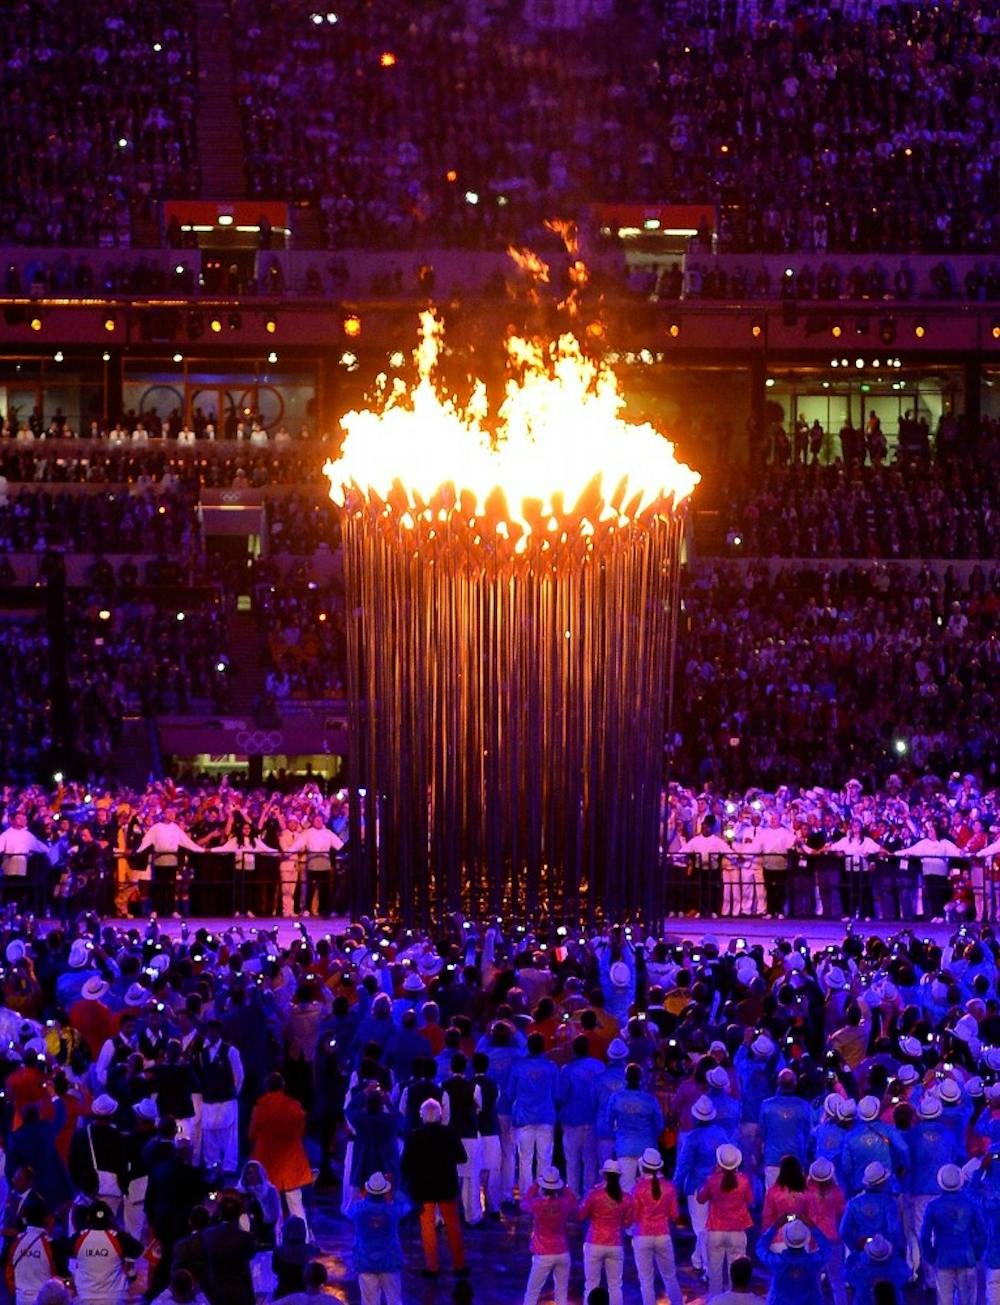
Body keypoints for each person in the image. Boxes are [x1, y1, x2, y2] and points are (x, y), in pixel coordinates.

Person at [399, 1097, 468, 1278]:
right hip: (446, 1186)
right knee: (453, 1226)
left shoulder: (414, 1136)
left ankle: (432, 1267)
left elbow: (405, 1165)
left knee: (428, 1228)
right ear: (440, 1115)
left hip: (423, 1188)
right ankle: (459, 1265)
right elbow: (462, 1158)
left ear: (422, 1115)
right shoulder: (450, 1133)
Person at [249, 1072, 313, 1230]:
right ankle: (302, 1239)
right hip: (291, 1162)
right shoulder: (294, 1106)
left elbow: (251, 1134)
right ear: (283, 1086)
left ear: (266, 1087)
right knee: (296, 1204)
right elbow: (302, 1131)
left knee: (272, 1206)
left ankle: (275, 1242)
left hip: (268, 1163)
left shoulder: (260, 1108)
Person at [674, 1094, 729, 1274]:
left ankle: (709, 1268)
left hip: (697, 1187)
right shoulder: (721, 1133)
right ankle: (698, 1259)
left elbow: (683, 1165)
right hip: (718, 1186)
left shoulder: (692, 1137)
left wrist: (674, 1188)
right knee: (707, 1226)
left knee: (701, 1228)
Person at [919, 1164, 986, 1305]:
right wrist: (976, 1254)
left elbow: (924, 1236)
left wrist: (931, 1257)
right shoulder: (971, 1204)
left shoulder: (933, 1206)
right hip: (967, 1258)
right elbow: (983, 1234)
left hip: (943, 1259)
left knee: (945, 1301)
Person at [697, 1144, 754, 1297]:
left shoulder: (712, 1180)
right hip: (737, 1231)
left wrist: (712, 1176)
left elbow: (700, 1198)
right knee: (736, 1277)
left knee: (714, 1274)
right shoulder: (744, 1181)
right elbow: (750, 1200)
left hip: (716, 1231)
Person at [508, 1033, 559, 1200]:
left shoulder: (518, 1067)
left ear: (528, 1047)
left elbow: (510, 1093)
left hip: (524, 1119)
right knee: (544, 1158)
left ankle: (525, 1196)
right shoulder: (551, 1067)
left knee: (524, 1160)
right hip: (545, 1117)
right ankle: (545, 1194)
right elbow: (557, 1094)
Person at [345, 1172, 408, 1305]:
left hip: (365, 1262)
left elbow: (348, 1210)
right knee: (395, 1301)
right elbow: (406, 1204)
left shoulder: (358, 1210)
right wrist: (394, 1190)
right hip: (389, 1262)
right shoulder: (393, 1211)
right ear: (385, 1190)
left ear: (368, 1190)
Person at [631, 1147, 682, 1305]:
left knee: (646, 1280)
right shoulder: (669, 1187)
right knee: (670, 1277)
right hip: (663, 1235)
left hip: (642, 1235)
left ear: (643, 1167)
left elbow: (634, 1216)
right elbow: (675, 1215)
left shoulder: (637, 1188)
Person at [578, 1159, 634, 1305]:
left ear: (604, 1175)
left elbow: (580, 1215)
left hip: (594, 1243)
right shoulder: (626, 1198)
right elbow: (628, 1223)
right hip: (615, 1244)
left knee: (590, 1285)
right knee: (615, 1286)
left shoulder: (594, 1195)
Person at [521, 1166, 577, 1305]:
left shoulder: (537, 1204)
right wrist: (564, 1187)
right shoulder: (564, 1204)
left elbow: (523, 1203)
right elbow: (574, 1202)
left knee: (532, 1293)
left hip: (543, 1254)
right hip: (562, 1253)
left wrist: (535, 1185)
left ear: (543, 1187)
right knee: (562, 1293)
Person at [606, 1063, 664, 1192]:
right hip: (647, 1146)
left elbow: (608, 1122)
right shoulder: (650, 1099)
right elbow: (659, 1124)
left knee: (626, 1188)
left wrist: (619, 1135)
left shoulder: (616, 1098)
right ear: (641, 1078)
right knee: (648, 1189)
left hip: (624, 1146)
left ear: (625, 1077)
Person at [199, 1020, 244, 1179]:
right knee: (209, 1131)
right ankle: (212, 1164)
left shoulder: (230, 1051)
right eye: (208, 1031)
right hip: (209, 1099)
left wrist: (232, 1093)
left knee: (229, 1134)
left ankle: (229, 1167)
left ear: (218, 1032)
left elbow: (238, 1075)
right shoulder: (202, 1053)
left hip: (226, 1099)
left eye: (213, 1031)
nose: (211, 1034)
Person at [756, 1218, 830, 1305]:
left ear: (786, 1239)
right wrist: (813, 1227)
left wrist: (775, 1226)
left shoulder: (777, 1262)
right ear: (806, 1238)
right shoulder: (813, 1262)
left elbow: (760, 1248)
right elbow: (827, 1249)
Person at [199, 1194, 256, 1305]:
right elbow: (251, 1256)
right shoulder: (247, 1238)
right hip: (240, 1292)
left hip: (215, 1292)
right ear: (239, 1213)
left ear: (220, 1212)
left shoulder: (207, 1234)